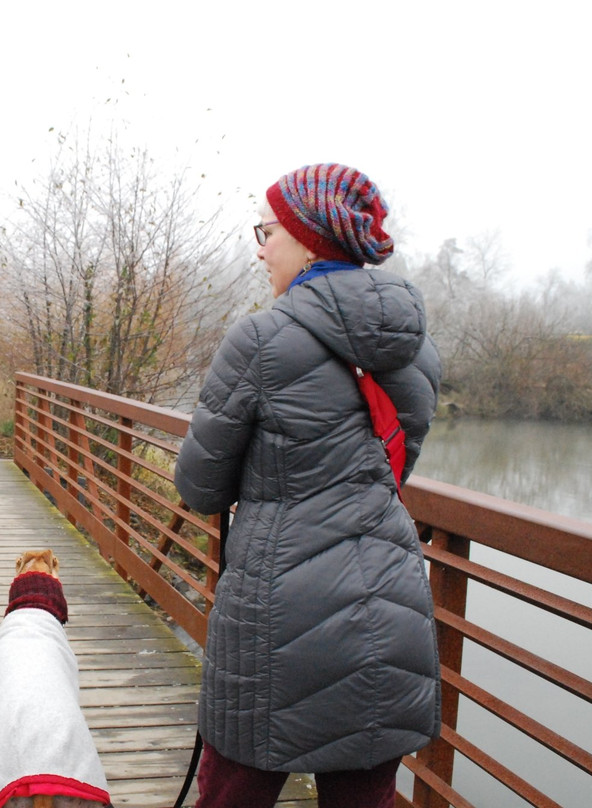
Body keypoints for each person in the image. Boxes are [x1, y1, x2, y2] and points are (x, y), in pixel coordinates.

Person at [173, 164, 443, 808]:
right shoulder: (414, 350)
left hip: (274, 616)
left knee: (233, 791)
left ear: (312, 240)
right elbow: (388, 472)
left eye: (269, 231)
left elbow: (201, 487)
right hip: (390, 608)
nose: (261, 247)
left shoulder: (261, 340)